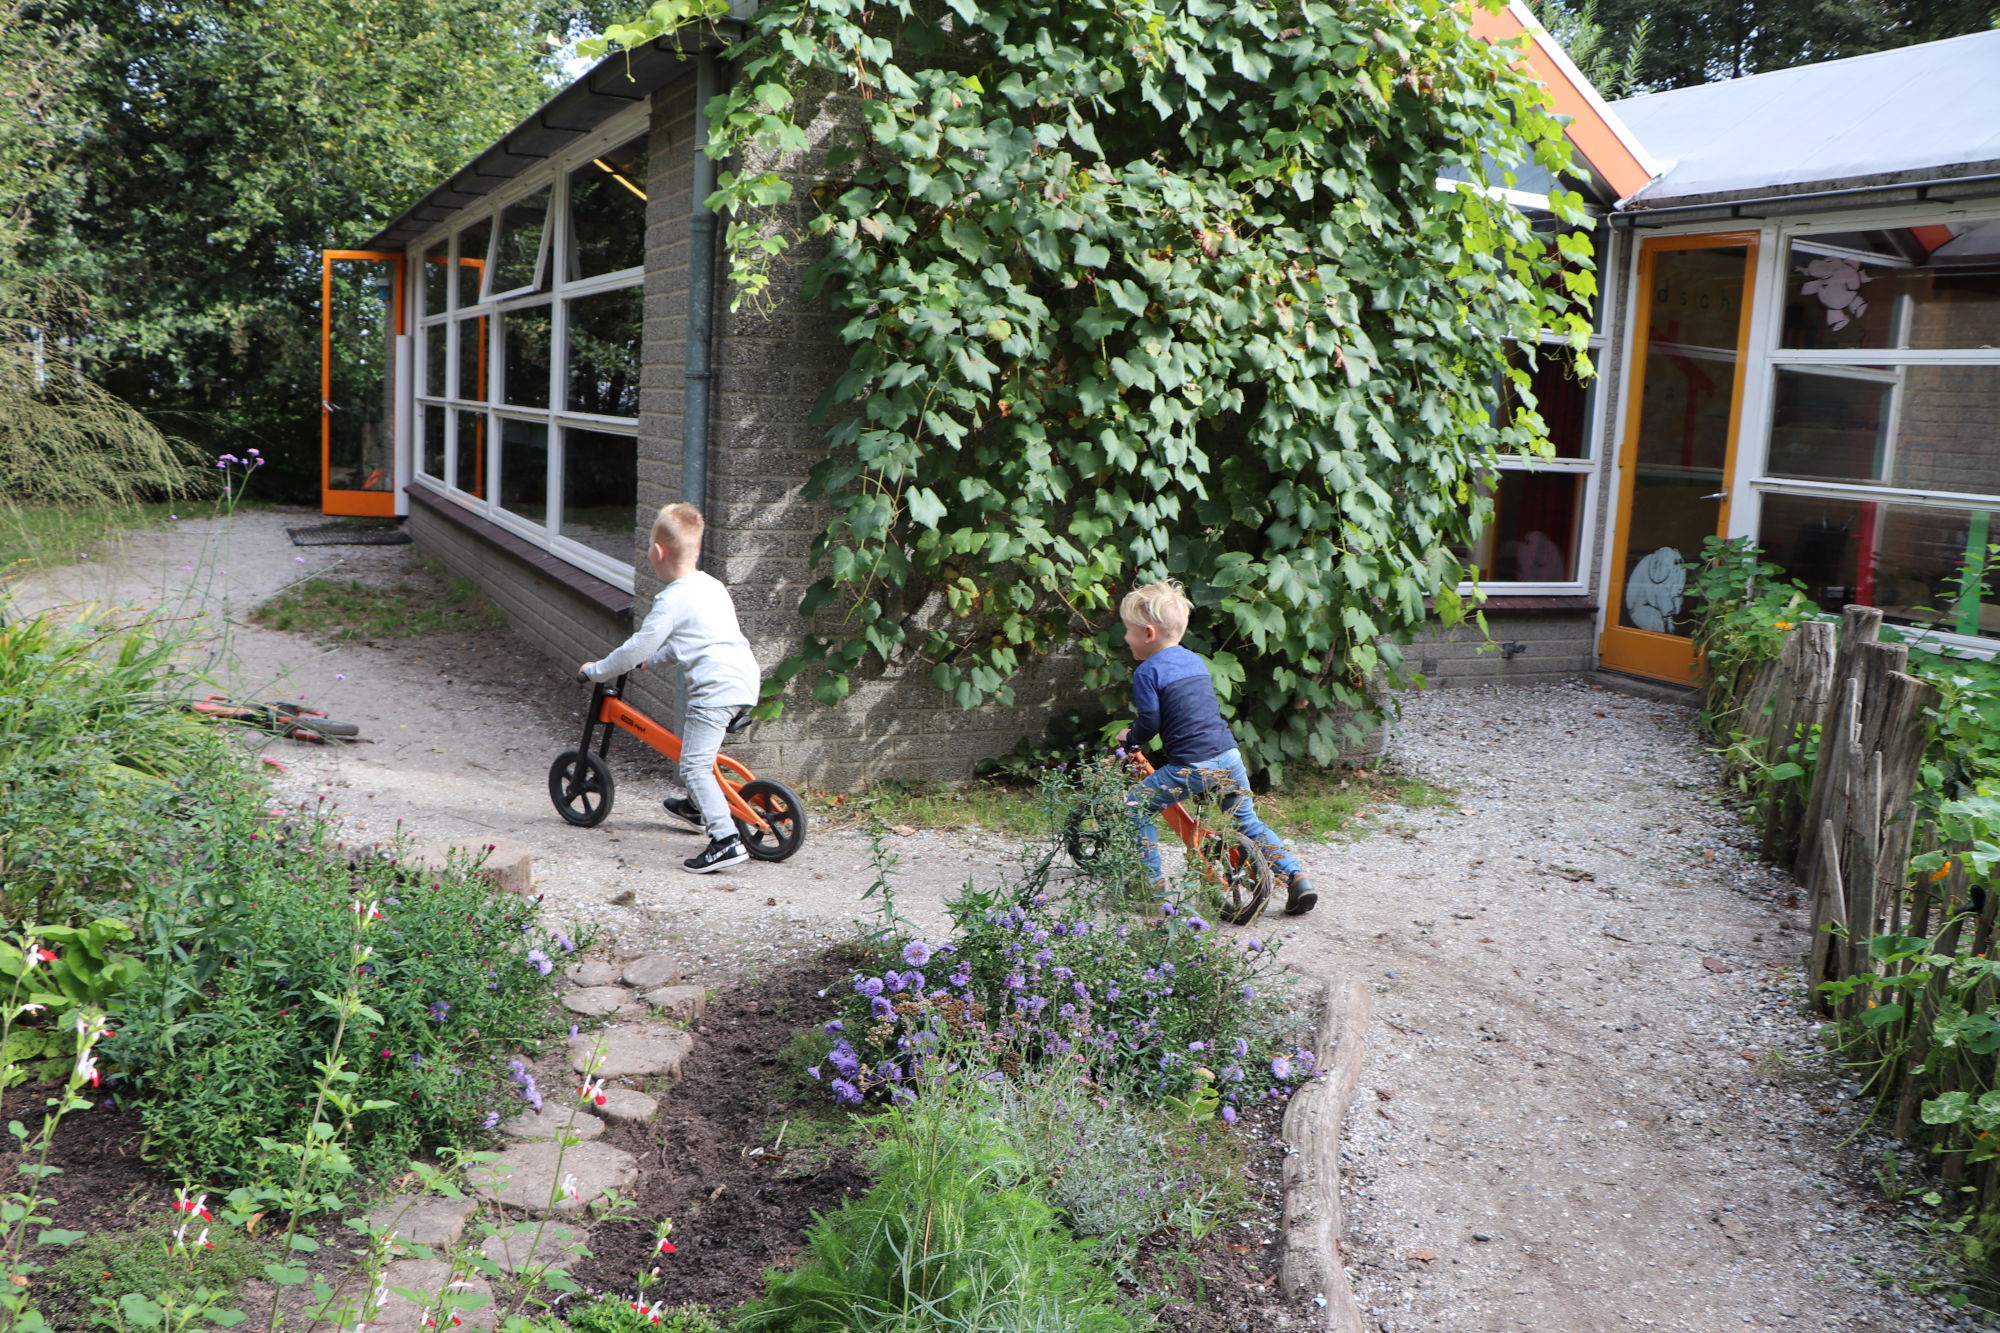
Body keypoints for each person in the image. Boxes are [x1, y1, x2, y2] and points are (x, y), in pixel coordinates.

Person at [1117, 580, 1318, 917]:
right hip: (1228, 756)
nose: (1126, 638)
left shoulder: (1147, 671)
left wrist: (1131, 738)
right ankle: (1296, 877)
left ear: (1148, 633)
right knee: (1246, 822)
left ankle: (1148, 885)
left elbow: (1150, 720)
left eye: (1128, 631)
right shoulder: (1194, 661)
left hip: (1192, 765)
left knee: (1134, 806)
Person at [579, 503, 761, 874]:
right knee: (700, 752)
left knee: (693, 765)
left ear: (657, 552)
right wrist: (655, 661)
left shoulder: (672, 598)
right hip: (743, 679)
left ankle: (726, 840)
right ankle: (698, 807)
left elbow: (635, 647)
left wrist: (598, 671)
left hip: (714, 690)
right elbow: (693, 642)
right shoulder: (711, 586)